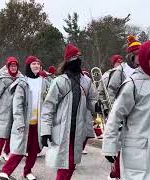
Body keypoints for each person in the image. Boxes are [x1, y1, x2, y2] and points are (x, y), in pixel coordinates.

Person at [103, 41, 150, 180]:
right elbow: (116, 116)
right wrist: (110, 146)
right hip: (139, 151)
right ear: (144, 58)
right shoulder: (133, 84)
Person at [40, 43, 99, 180]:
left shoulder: (87, 81)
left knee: (71, 164)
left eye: (79, 57)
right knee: (64, 164)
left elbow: (92, 100)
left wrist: (97, 106)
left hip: (78, 130)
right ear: (67, 60)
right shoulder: (59, 82)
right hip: (62, 130)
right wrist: (45, 131)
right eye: (74, 57)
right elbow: (48, 107)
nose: (77, 60)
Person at [0, 55, 50, 180]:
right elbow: (17, 104)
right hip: (24, 123)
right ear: (29, 66)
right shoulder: (23, 82)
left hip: (38, 123)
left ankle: (27, 171)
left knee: (34, 149)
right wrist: (19, 121)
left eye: (38, 64)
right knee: (19, 148)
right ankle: (5, 171)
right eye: (33, 64)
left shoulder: (44, 82)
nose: (36, 66)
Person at [0, 57, 23, 161]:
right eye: (11, 66)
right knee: (3, 132)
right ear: (8, 67)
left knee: (12, 133)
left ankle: (7, 151)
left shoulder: (21, 79)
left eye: (15, 66)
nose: (13, 68)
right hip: (3, 110)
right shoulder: (3, 79)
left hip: (16, 110)